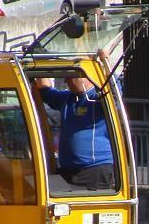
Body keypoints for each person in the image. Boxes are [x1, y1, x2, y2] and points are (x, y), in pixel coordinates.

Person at [33, 51, 116, 192]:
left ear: (86, 76)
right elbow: (45, 92)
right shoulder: (67, 98)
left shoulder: (98, 99)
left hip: (95, 169)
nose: (66, 81)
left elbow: (114, 95)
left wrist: (106, 63)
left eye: (70, 77)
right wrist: (39, 61)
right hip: (68, 170)